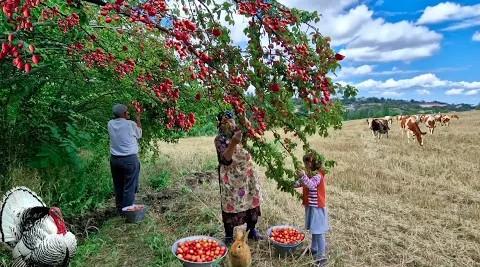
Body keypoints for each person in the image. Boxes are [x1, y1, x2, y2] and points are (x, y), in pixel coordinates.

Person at [214, 111, 263, 245]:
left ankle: (251, 230)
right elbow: (225, 159)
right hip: (230, 179)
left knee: (252, 202)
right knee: (230, 205)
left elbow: (250, 127)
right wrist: (234, 143)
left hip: (248, 176)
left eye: (230, 120)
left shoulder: (242, 133)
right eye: (224, 122)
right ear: (220, 125)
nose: (228, 124)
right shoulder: (220, 139)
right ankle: (229, 235)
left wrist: (241, 112)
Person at [295, 151, 329, 267]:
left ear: (313, 162)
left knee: (319, 232)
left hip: (317, 208)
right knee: (314, 229)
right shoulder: (309, 173)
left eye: (307, 162)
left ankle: (322, 257)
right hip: (310, 206)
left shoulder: (319, 174)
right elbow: (301, 183)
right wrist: (292, 183)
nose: (305, 165)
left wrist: (303, 176)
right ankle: (314, 249)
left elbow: (311, 184)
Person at [108, 103, 142, 214]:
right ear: (123, 113)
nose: (128, 113)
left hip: (115, 160)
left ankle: (119, 210)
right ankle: (127, 213)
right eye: (127, 111)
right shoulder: (130, 124)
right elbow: (139, 134)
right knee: (129, 187)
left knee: (118, 186)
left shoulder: (110, 124)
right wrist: (138, 118)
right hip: (129, 160)